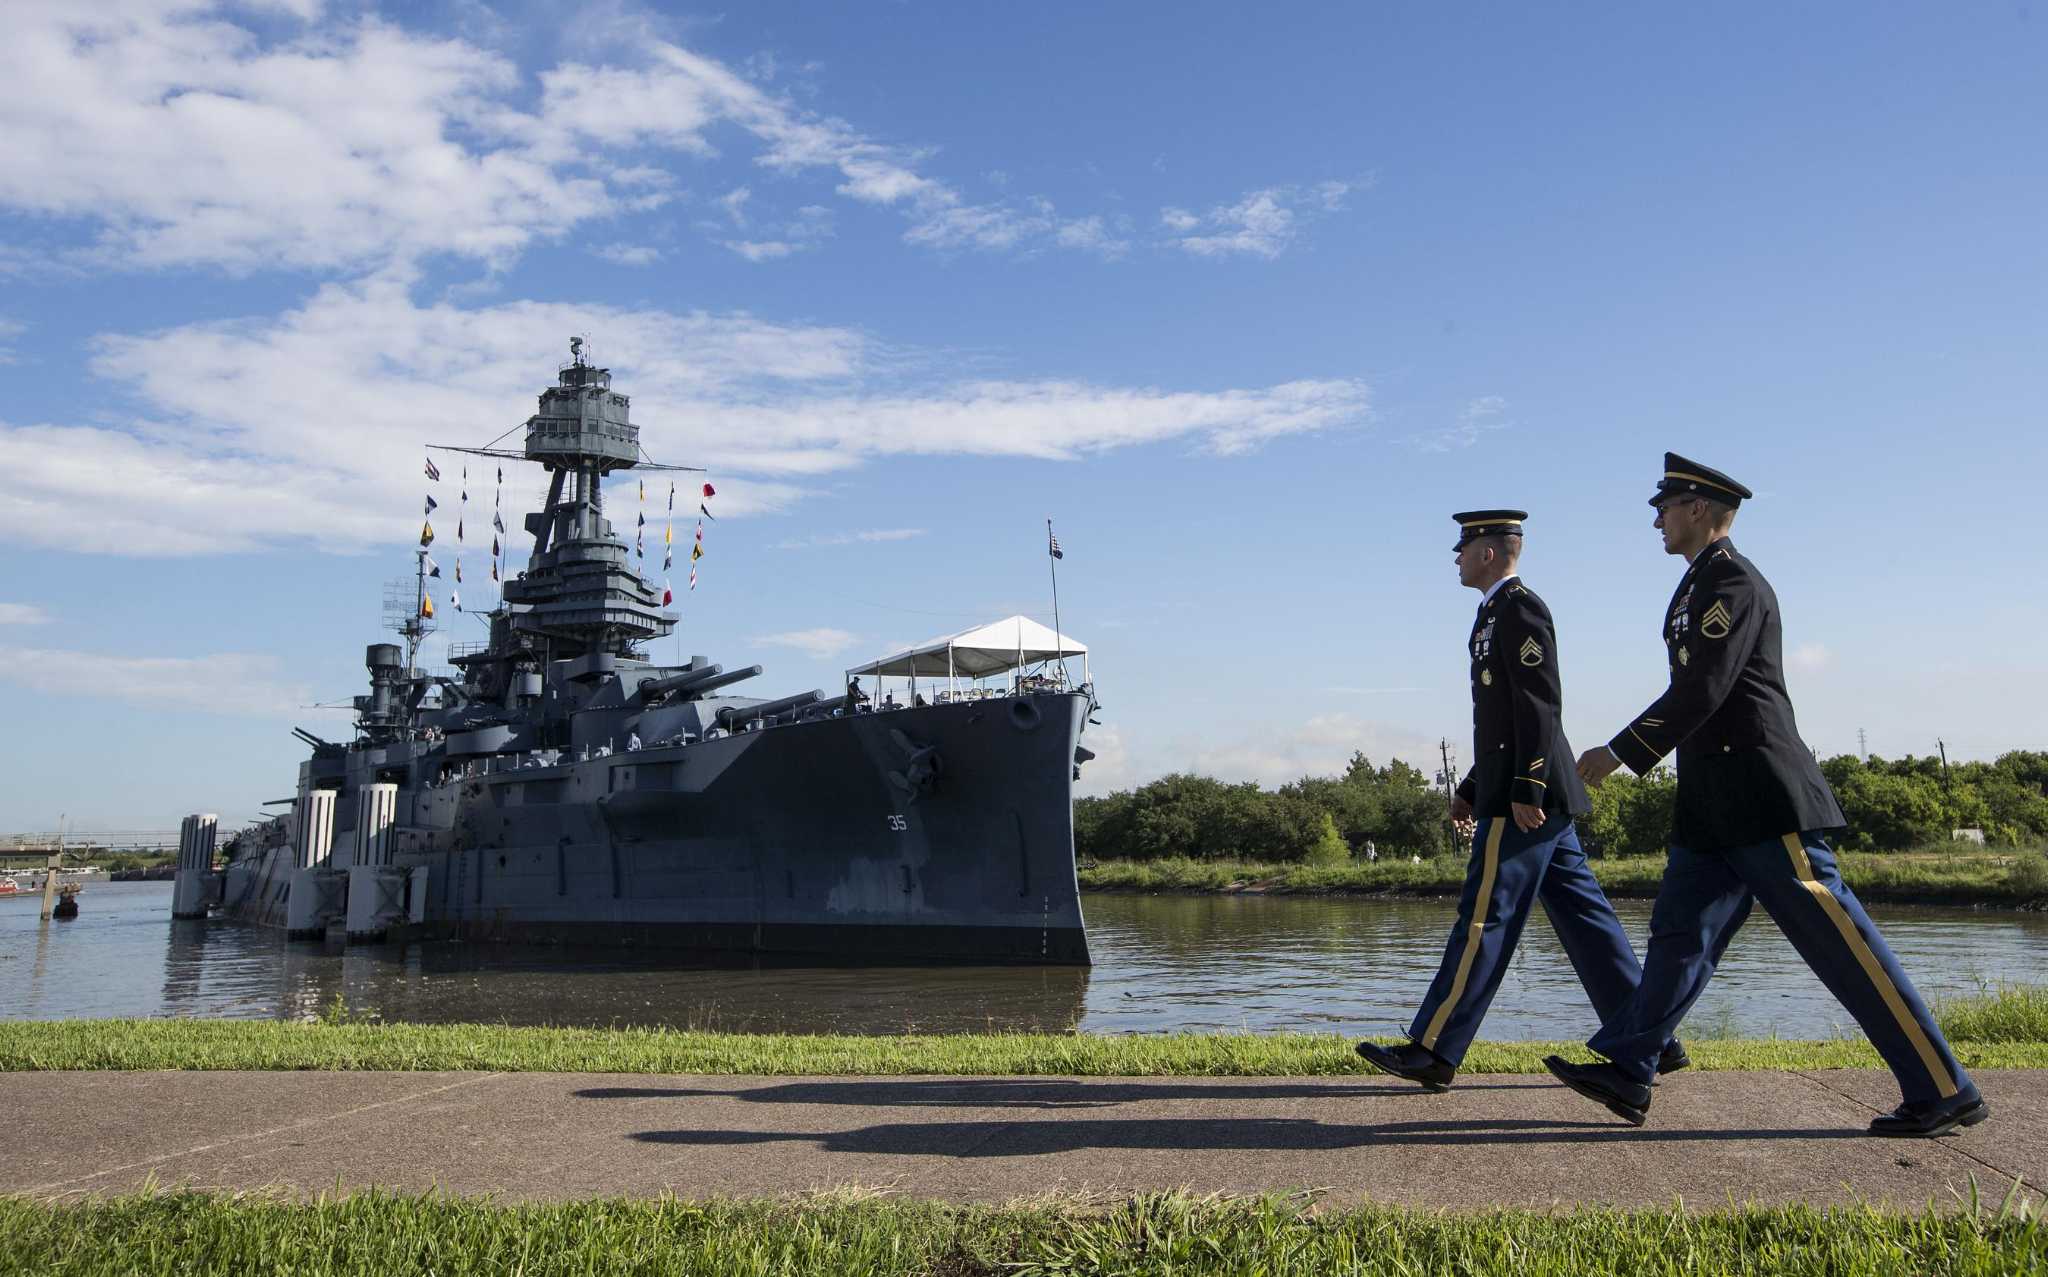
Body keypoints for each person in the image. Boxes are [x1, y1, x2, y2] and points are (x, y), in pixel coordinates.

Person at [1550, 454, 1986, 1137]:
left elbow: (1706, 688)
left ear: (1699, 508)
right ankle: (1630, 1069)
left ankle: (1942, 1086)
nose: (1656, 517)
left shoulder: (1733, 582)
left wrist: (1618, 752)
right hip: (1712, 808)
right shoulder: (1697, 586)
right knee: (1676, 937)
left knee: (1841, 945)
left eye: (1664, 505)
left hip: (1762, 798)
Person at [1356, 510, 1685, 1091]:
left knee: (1484, 915)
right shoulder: (1491, 615)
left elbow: (1539, 705)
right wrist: (1471, 786)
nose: (1455, 556)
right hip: (1525, 791)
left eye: (1463, 546)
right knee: (1588, 923)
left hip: (1528, 800)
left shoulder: (1520, 608)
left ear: (1490, 552)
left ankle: (1433, 1048)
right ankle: (1652, 1041)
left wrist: (1525, 787)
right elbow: (1502, 721)